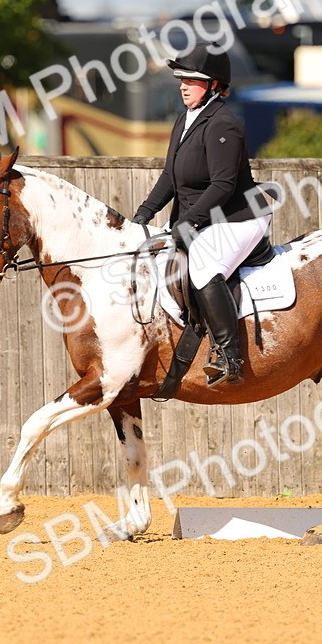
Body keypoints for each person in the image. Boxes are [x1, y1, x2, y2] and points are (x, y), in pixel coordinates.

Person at [132, 42, 273, 387]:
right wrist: (142, 216)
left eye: (192, 80)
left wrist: (189, 221)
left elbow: (223, 185)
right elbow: (170, 176)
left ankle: (230, 356)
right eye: (181, 79)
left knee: (204, 268)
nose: (182, 85)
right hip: (202, 216)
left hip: (238, 216)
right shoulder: (185, 119)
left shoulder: (224, 124)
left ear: (213, 85)